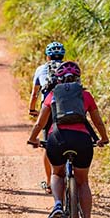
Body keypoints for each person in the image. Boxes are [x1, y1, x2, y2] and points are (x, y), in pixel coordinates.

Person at [26, 61, 110, 218]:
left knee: (57, 173)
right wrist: (103, 138)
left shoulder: (52, 95)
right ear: (78, 78)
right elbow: (98, 122)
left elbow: (40, 123)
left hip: (57, 139)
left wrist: (33, 139)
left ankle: (57, 204)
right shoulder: (85, 95)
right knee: (82, 182)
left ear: (57, 79)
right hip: (82, 141)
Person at [27, 41, 66, 194]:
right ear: (63, 56)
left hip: (48, 109)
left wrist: (32, 109)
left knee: (48, 145)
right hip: (67, 108)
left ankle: (50, 182)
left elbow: (35, 93)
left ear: (48, 57)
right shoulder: (69, 69)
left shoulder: (41, 69)